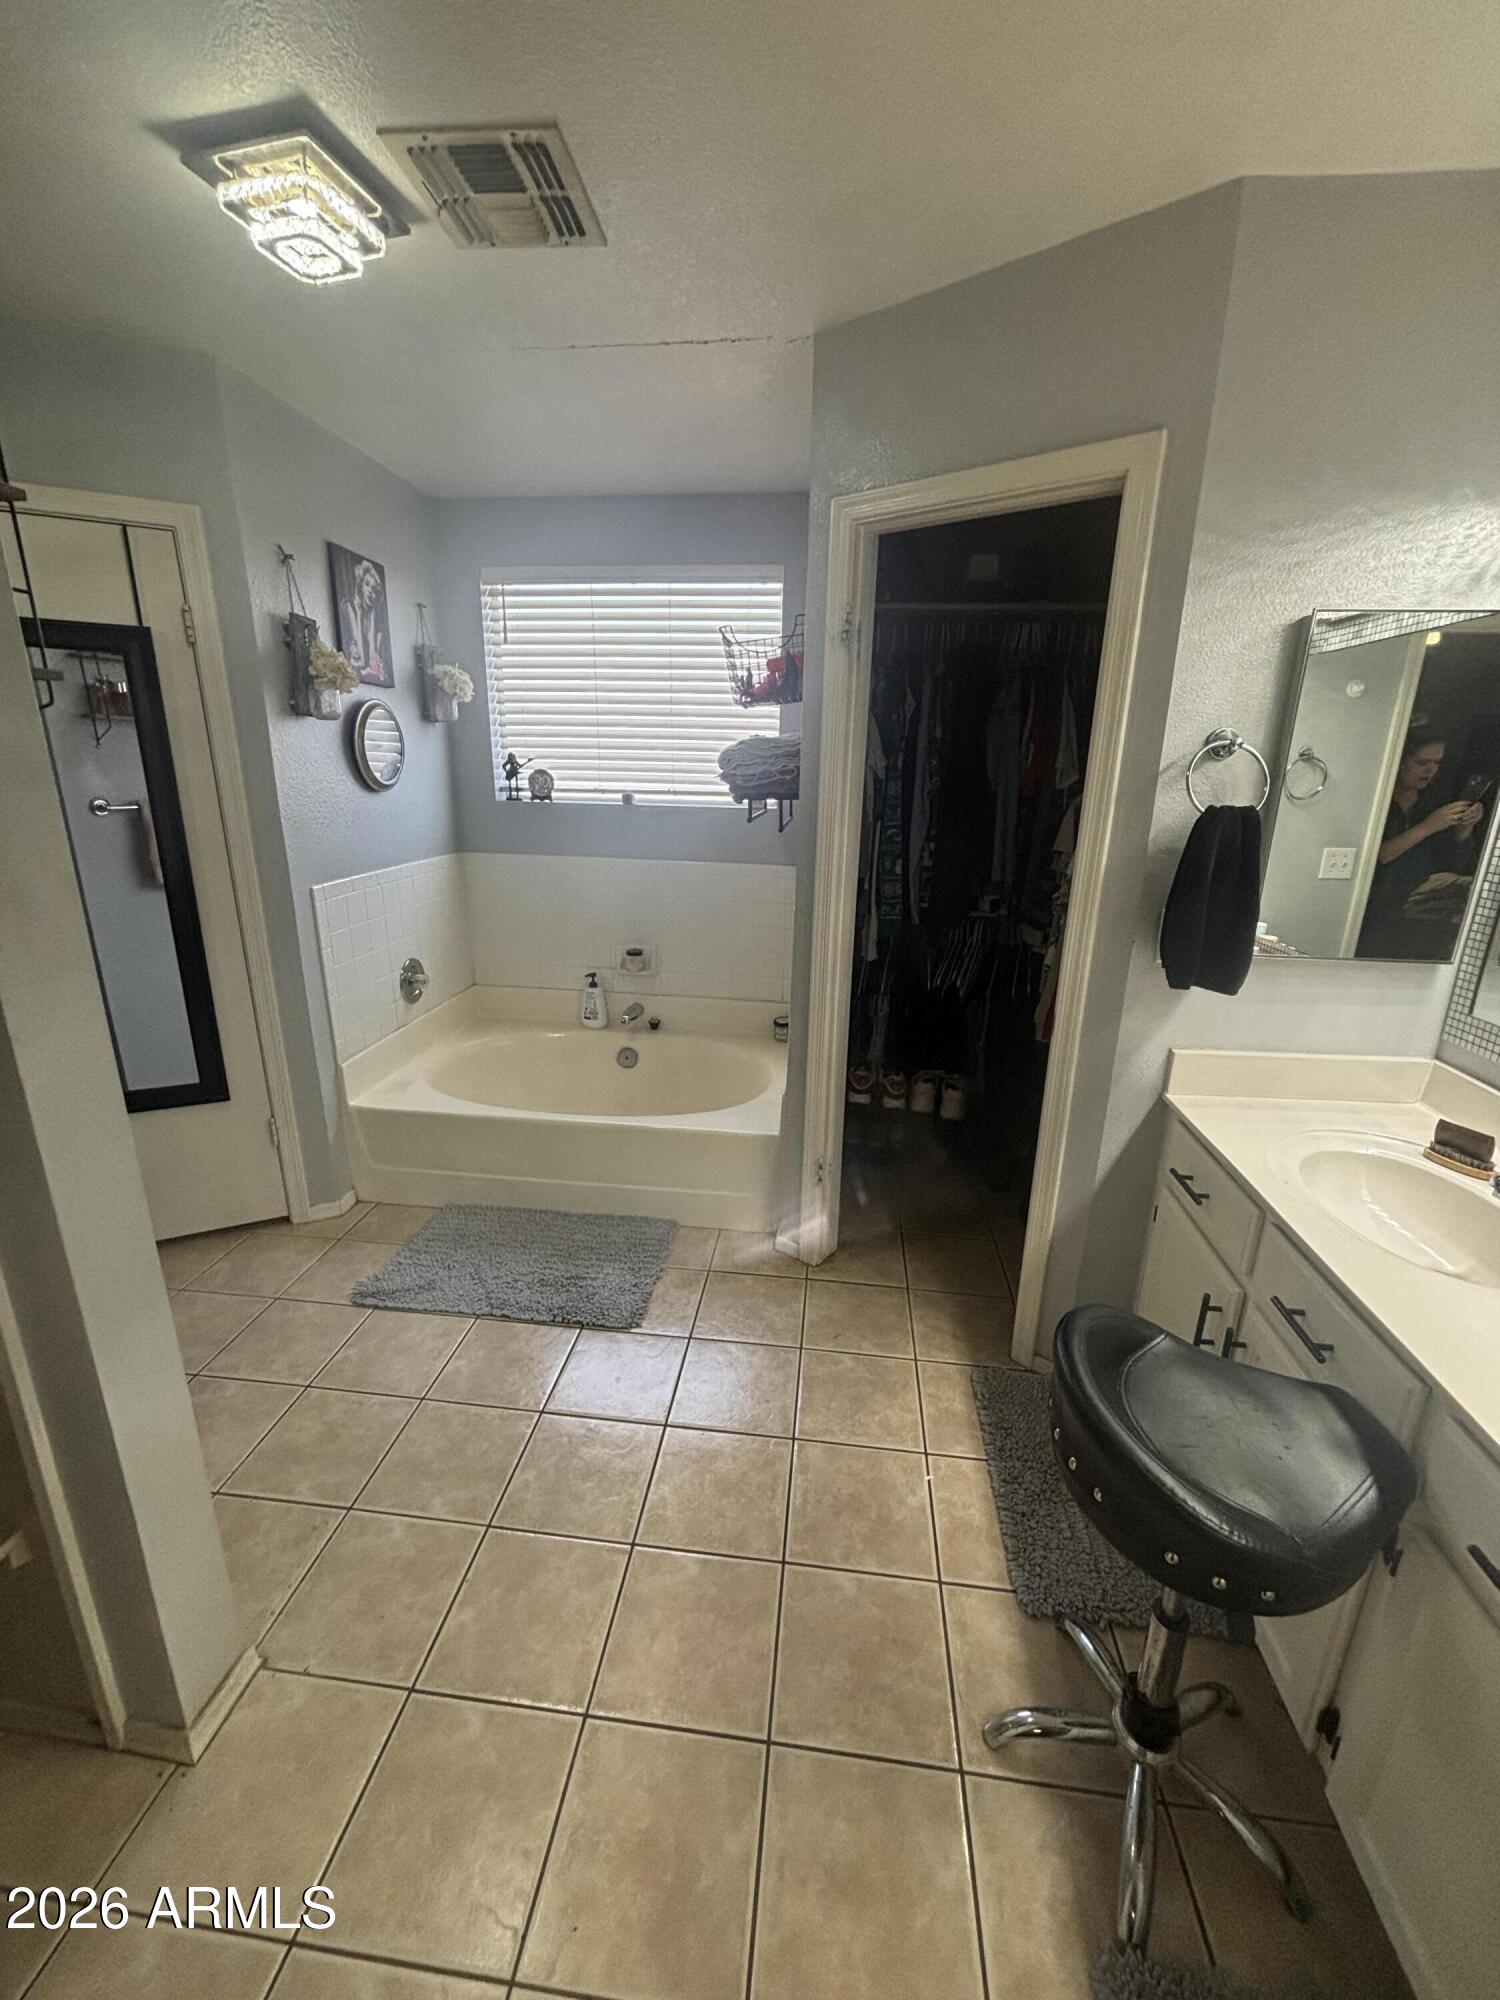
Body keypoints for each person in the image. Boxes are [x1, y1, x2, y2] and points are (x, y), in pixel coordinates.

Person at [1356, 726, 1484, 957]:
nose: (1430, 770)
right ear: (1401, 759)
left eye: (1437, 763)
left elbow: (1451, 863)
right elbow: (1377, 856)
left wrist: (1464, 830)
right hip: (1369, 909)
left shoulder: (1435, 801)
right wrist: (1429, 826)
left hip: (1419, 911)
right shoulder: (1374, 799)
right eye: (1422, 762)